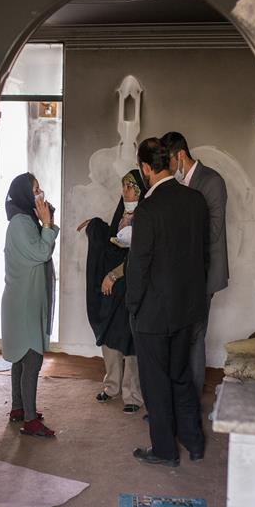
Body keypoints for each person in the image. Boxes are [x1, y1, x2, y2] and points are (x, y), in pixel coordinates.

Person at [126, 138, 210, 467]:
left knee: (156, 383)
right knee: (181, 376)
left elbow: (138, 265)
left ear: (147, 168)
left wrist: (133, 306)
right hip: (187, 308)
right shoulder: (195, 200)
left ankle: (165, 450)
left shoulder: (148, 209)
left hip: (154, 313)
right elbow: (202, 255)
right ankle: (194, 442)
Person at [161, 131, 229, 402]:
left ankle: (191, 399)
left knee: (195, 335)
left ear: (180, 155)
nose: (167, 169)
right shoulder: (178, 184)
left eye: (168, 162)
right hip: (182, 273)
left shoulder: (211, 181)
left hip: (203, 273)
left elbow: (213, 231)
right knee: (180, 334)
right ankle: (179, 397)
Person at [77, 170, 146, 414]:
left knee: (131, 340)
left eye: (129, 187)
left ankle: (132, 394)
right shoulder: (122, 214)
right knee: (110, 336)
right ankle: (112, 386)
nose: (124, 191)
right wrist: (95, 225)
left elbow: (139, 255)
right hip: (113, 290)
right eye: (123, 186)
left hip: (131, 287)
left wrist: (115, 274)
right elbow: (112, 241)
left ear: (139, 190)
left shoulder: (147, 217)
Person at [1, 173, 58, 438]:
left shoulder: (25, 220)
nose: (40, 193)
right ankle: (30, 420)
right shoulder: (21, 223)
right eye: (35, 189)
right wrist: (46, 224)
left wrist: (47, 222)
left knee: (21, 359)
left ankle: (18, 408)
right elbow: (41, 252)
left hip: (23, 299)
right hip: (23, 303)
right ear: (24, 194)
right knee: (31, 359)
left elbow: (43, 246)